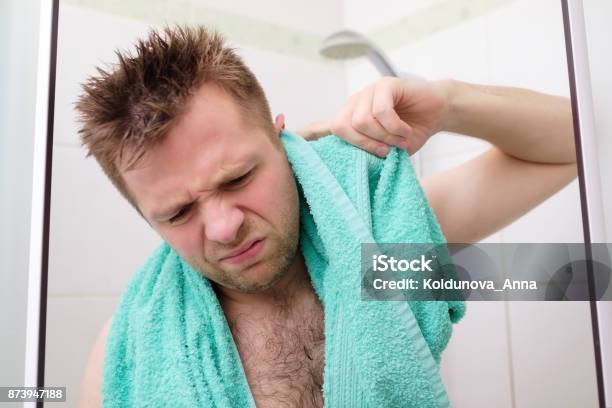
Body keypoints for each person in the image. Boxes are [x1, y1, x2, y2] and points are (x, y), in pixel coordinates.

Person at [77, 26, 576, 407]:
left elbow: (573, 146)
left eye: (238, 179)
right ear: (147, 219)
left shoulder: (381, 242)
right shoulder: (127, 348)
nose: (225, 227)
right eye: (179, 212)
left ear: (283, 140)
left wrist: (449, 104)